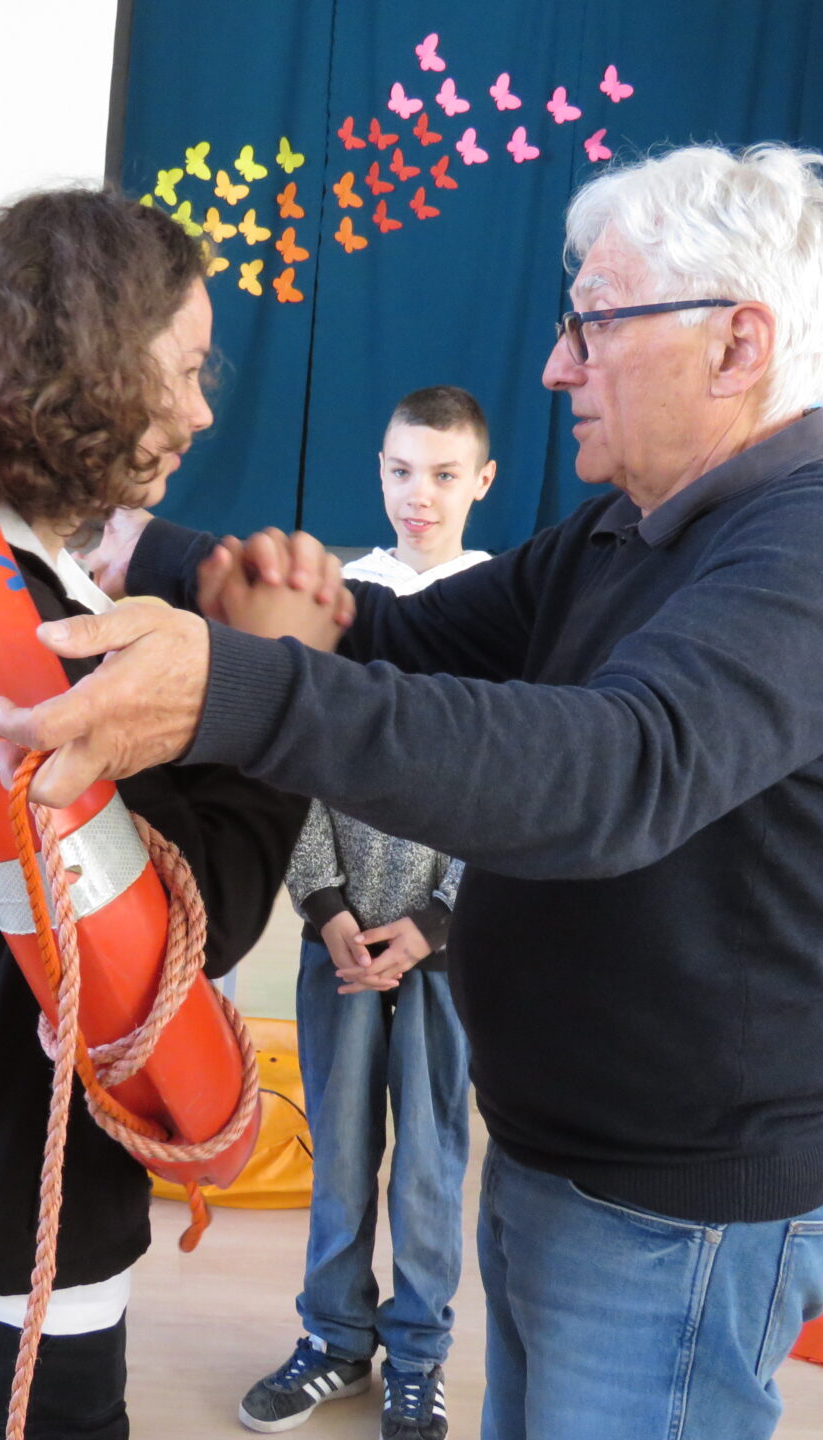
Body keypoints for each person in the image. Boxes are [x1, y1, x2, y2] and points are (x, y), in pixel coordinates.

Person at [0, 145, 823, 1440]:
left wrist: (229, 690)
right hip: (566, 1152)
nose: (556, 366)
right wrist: (173, 557)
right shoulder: (623, 531)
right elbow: (396, 636)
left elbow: (615, 771)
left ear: (737, 344)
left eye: (593, 326)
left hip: (685, 1199)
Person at [0, 188, 307, 1439]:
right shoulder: (26, 647)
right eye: (186, 372)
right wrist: (278, 688)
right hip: (2, 1244)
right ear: (95, 371)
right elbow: (184, 923)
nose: (202, 411)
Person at [239, 387, 494, 1440]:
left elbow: (507, 783)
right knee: (339, 1158)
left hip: (442, 951)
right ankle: (335, 1340)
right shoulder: (341, 602)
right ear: (378, 471)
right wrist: (327, 904)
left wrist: (439, 919)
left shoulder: (497, 610)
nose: (418, 494)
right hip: (340, 943)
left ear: (482, 480)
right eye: (400, 471)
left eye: (443, 474)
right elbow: (301, 767)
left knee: (430, 1165)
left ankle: (418, 1356)